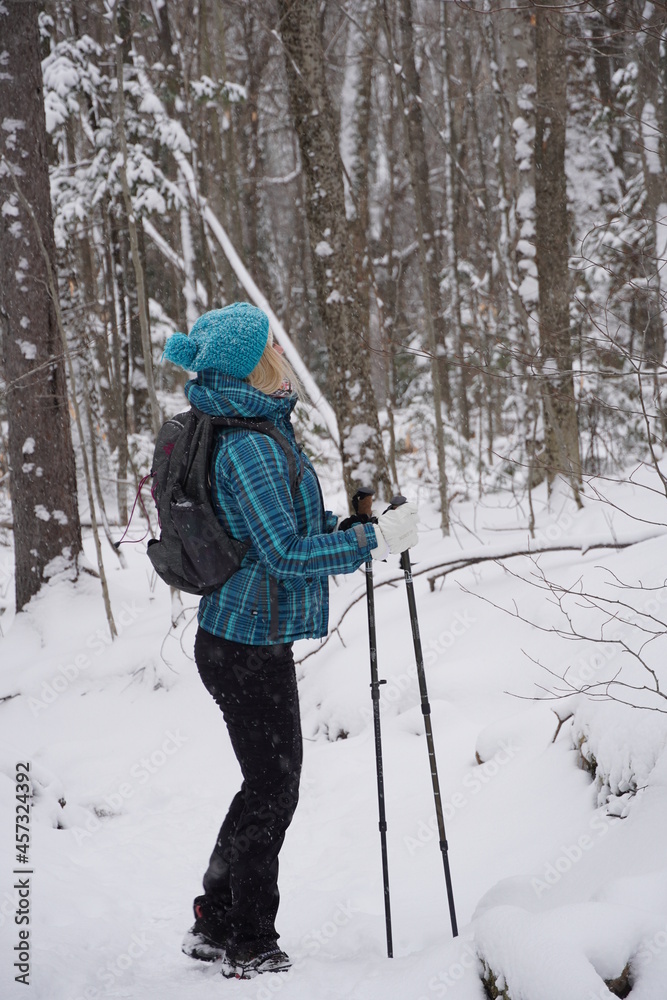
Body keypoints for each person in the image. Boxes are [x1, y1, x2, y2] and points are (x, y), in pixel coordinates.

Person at [162, 302, 418, 980]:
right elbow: (280, 554)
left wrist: (349, 524)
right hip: (242, 644)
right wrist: (369, 543)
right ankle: (247, 939)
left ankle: (216, 922)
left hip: (250, 638)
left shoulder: (258, 425)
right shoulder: (245, 443)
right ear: (251, 362)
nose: (280, 347)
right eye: (269, 342)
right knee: (273, 791)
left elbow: (287, 533)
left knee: (264, 786)